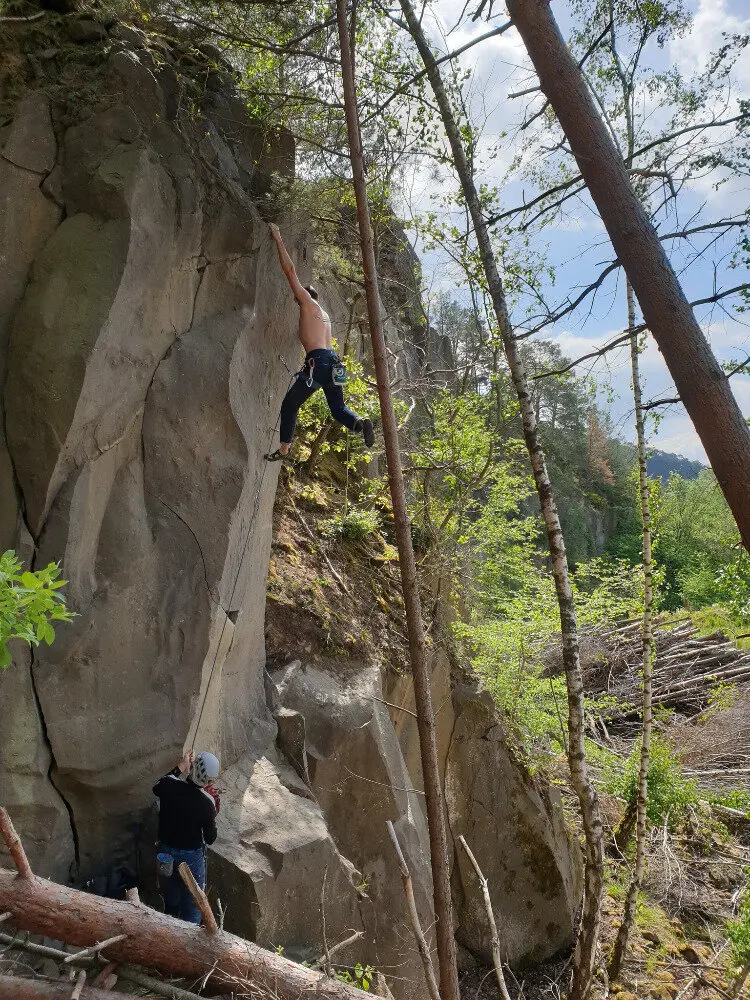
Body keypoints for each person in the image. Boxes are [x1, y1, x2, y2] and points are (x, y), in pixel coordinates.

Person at [265, 223, 375, 461]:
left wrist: (277, 237)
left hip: (320, 363)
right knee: (338, 409)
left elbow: (290, 271)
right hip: (334, 363)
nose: (297, 302)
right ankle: (358, 422)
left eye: (298, 298)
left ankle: (284, 449)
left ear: (305, 296)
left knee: (289, 405)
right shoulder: (324, 315)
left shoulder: (307, 303)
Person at [152, 749, 219, 924]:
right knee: (193, 904)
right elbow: (211, 838)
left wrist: (181, 766)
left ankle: (170, 927)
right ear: (210, 780)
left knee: (171, 896)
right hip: (191, 858)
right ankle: (189, 938)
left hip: (165, 853)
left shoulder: (169, 785)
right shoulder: (207, 802)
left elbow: (156, 786)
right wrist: (213, 812)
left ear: (192, 767)